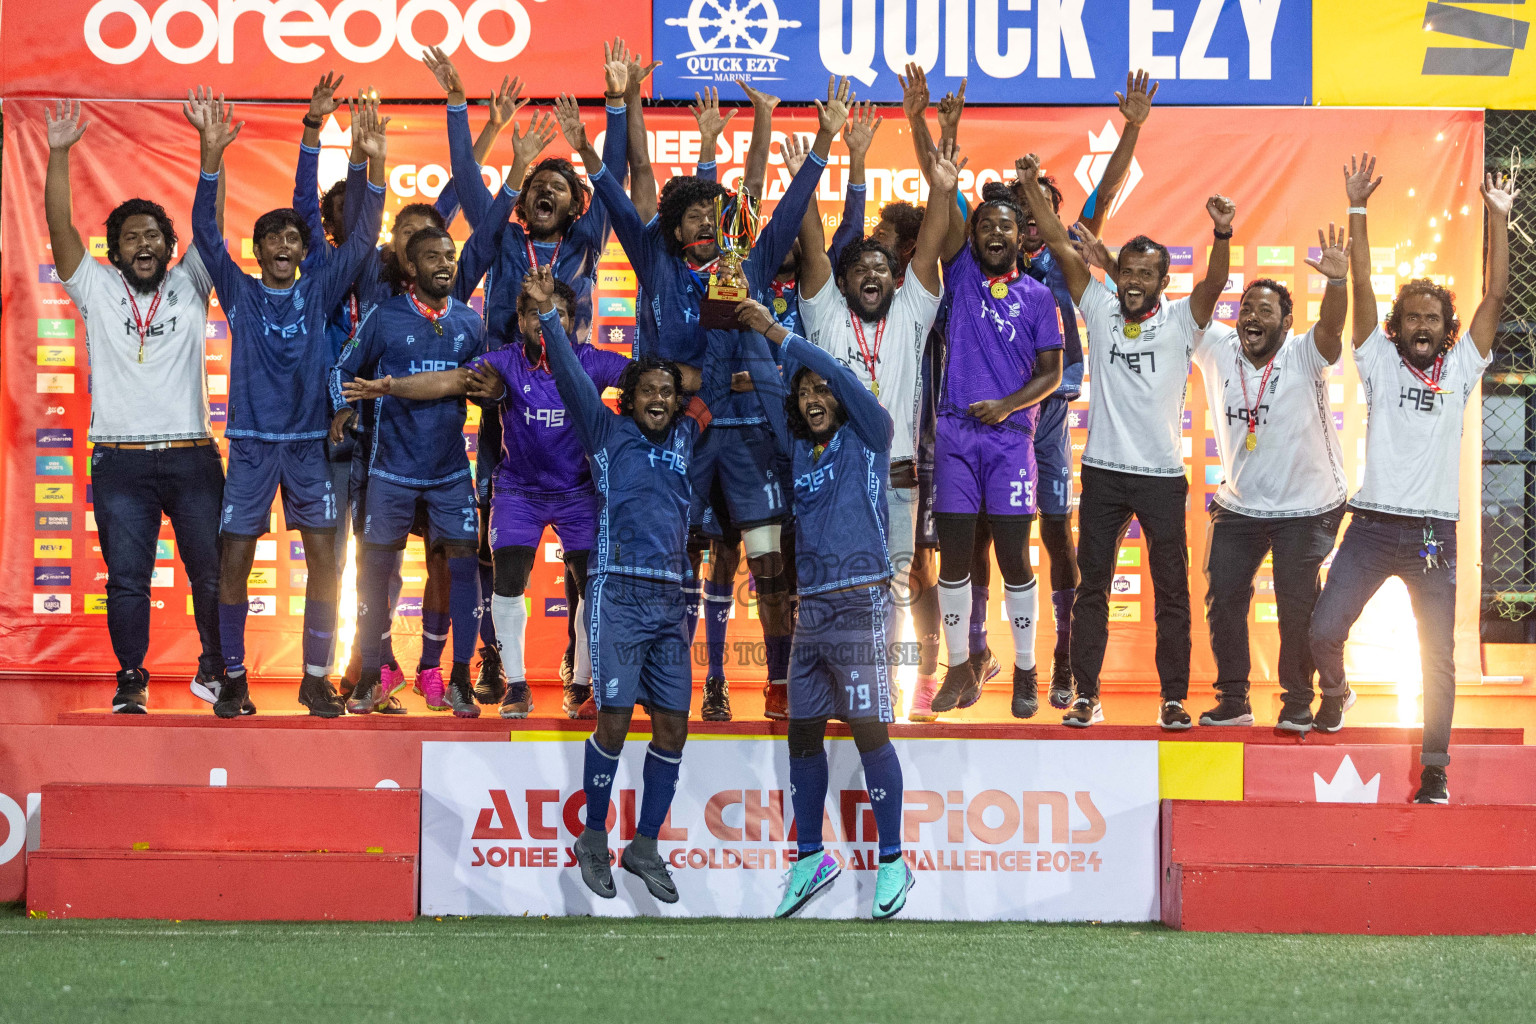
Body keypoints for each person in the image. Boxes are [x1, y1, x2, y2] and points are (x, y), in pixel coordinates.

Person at [589, 73, 852, 722]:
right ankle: (686, 679)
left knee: (766, 564)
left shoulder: (745, 264)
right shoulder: (656, 266)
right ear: (674, 230)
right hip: (688, 436)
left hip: (750, 438)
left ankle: (781, 682)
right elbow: (629, 198)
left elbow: (783, 210)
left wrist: (822, 143)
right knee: (684, 564)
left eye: (714, 213)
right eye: (694, 217)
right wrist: (604, 136)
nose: (707, 222)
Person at [524, 266, 742, 906]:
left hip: (675, 601)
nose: (657, 400)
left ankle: (644, 845)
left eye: (666, 393)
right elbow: (566, 370)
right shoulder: (605, 429)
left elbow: (721, 383)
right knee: (615, 722)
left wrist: (725, 302)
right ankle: (594, 837)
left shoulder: (687, 431)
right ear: (627, 396)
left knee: (673, 728)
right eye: (646, 390)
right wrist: (545, 318)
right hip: (617, 594)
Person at [429, 42, 631, 710]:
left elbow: (615, 175)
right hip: (502, 403)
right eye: (535, 187)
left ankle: (580, 661)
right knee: (497, 537)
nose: (547, 192)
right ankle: (495, 657)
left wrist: (618, 101)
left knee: (585, 547)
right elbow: (463, 177)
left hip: (572, 407)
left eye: (561, 188)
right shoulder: (498, 238)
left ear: (576, 207)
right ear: (520, 203)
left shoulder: (588, 241)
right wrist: (461, 107)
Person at [1311, 158, 1516, 804]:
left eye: (1433, 318)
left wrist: (1499, 218)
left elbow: (1496, 297)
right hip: (1371, 526)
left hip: (1434, 536)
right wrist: (1357, 209)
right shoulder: (1377, 361)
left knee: (1438, 660)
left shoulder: (1458, 372)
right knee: (1322, 632)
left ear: (1445, 330)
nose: (1422, 326)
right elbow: (1364, 281)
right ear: (1395, 328)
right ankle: (1335, 693)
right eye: (1413, 318)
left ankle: (1434, 770)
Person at [1015, 154, 1233, 729]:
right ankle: (1087, 694)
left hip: (1162, 477)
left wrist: (1222, 233)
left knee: (1172, 596)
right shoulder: (1102, 307)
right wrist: (1032, 189)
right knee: (1092, 595)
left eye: (1145, 274)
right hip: (1106, 472)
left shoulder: (1184, 320)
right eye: (1128, 271)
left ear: (1163, 281)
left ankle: (1174, 699)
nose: (1134, 281)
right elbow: (1062, 247)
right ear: (1118, 274)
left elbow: (1214, 282)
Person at [188, 90, 386, 718]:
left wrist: (372, 167)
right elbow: (202, 233)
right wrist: (211, 157)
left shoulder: (324, 287)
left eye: (291, 239)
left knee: (327, 561)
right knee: (235, 562)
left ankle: (311, 677)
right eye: (269, 237)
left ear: (303, 252)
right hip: (250, 449)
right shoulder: (239, 293)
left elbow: (362, 237)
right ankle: (235, 678)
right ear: (258, 250)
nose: (281, 245)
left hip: (308, 449)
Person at [738, 285, 919, 917]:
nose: (814, 398)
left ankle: (894, 863)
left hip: (862, 602)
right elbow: (767, 382)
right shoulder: (798, 449)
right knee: (803, 735)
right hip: (811, 609)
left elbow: (839, 371)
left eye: (822, 392)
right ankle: (811, 857)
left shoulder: (868, 434)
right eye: (805, 393)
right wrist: (747, 323)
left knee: (869, 729)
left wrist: (780, 333)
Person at [44, 98, 229, 714]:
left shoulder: (192, 280)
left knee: (212, 575)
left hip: (192, 457)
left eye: (154, 235)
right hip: (120, 464)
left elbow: (212, 222)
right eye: (131, 237)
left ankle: (215, 667)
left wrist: (212, 151)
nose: (144, 244)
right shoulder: (95, 286)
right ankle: (131, 678)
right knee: (126, 581)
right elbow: (60, 231)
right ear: (116, 249)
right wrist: (60, 153)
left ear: (167, 244)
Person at [793, 121, 958, 726]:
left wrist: (940, 188)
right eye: (859, 268)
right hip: (832, 482)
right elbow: (813, 245)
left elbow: (934, 240)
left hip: (895, 477)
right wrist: (815, 163)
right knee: (836, 586)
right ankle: (840, 688)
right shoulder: (826, 315)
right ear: (841, 284)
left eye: (882, 269)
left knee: (894, 586)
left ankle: (887, 689)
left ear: (898, 278)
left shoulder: (915, 310)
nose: (870, 275)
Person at [1013, 70, 1157, 711]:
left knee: (1056, 532)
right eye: (1021, 202)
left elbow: (1106, 187)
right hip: (994, 416)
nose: (1030, 212)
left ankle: (1066, 658)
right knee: (997, 533)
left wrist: (1131, 126)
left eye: (1040, 200)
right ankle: (996, 659)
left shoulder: (1066, 250)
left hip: (1050, 410)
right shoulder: (986, 255)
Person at [1189, 228, 1351, 728]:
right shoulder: (1217, 346)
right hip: (1240, 504)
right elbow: (1192, 304)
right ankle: (1233, 700)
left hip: (1309, 505)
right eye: (1247, 309)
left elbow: (1331, 326)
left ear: (1286, 322)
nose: (1252, 317)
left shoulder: (1305, 351)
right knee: (1224, 596)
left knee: (1296, 603)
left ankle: (1299, 700)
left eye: (1265, 310)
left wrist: (1338, 282)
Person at [329, 227, 488, 717]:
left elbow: (484, 382)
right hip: (390, 470)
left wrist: (487, 387)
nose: (445, 263)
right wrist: (343, 408)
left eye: (450, 255)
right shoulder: (384, 315)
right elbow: (342, 370)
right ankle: (373, 677)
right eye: (433, 257)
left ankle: (457, 677)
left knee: (463, 569)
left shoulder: (470, 321)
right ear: (411, 269)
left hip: (449, 471)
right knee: (373, 577)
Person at [927, 167, 1065, 719]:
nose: (994, 234)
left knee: (1013, 561)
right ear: (975, 234)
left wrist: (1007, 405)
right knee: (955, 562)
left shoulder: (1038, 296)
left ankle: (1027, 670)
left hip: (1009, 441)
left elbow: (1051, 374)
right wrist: (936, 149)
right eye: (985, 225)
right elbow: (944, 198)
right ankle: (959, 665)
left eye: (1005, 226)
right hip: (957, 436)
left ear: (1018, 235)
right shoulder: (959, 274)